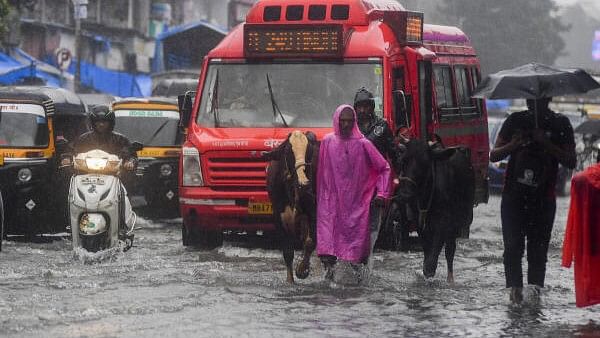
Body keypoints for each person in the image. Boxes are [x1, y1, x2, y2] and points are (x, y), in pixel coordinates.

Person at [490, 97, 576, 304]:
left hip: (543, 199)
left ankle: (535, 293)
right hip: (513, 198)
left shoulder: (561, 124)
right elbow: (494, 155)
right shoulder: (514, 121)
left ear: (548, 99)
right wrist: (515, 144)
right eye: (530, 99)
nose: (533, 103)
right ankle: (515, 292)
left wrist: (545, 142)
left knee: (538, 250)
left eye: (538, 99)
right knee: (512, 247)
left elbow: (571, 161)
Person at [316, 104, 391, 280]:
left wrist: (382, 193)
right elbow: (321, 172)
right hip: (331, 203)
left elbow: (384, 167)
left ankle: (360, 281)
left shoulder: (364, 144)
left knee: (356, 253)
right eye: (343, 121)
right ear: (336, 121)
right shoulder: (327, 142)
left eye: (350, 121)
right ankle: (329, 279)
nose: (346, 125)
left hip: (356, 204)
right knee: (327, 246)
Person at [353, 87, 403, 254]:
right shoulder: (350, 127)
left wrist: (399, 174)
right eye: (359, 106)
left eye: (366, 106)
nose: (362, 110)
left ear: (372, 107)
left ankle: (369, 249)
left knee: (373, 218)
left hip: (376, 179)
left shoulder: (381, 126)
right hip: (355, 180)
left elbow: (392, 151)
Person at [62, 105, 137, 170]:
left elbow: (129, 153)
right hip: (84, 173)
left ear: (111, 123)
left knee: (129, 179)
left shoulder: (120, 140)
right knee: (67, 177)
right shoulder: (83, 139)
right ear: (93, 123)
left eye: (104, 122)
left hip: (114, 174)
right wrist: (67, 158)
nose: (101, 124)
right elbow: (72, 149)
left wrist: (129, 161)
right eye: (98, 121)